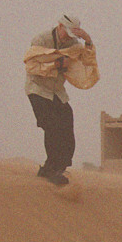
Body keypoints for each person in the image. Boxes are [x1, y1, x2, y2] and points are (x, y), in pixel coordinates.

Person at [25, 14, 94, 186]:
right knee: (52, 126)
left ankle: (59, 168)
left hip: (57, 92)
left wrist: (88, 41)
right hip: (38, 89)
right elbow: (32, 66)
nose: (69, 38)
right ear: (60, 26)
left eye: (73, 35)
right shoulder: (41, 40)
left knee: (67, 123)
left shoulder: (73, 45)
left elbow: (88, 61)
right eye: (67, 33)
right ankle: (51, 169)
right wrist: (55, 64)